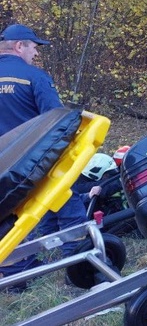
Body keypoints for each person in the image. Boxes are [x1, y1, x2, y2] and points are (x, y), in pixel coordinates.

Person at [0, 24, 84, 292]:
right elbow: (56, 122)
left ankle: (15, 276)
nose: (36, 53)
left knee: (11, 217)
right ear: (19, 46)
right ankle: (79, 263)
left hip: (3, 167)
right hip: (32, 162)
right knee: (68, 205)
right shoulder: (34, 78)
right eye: (34, 47)